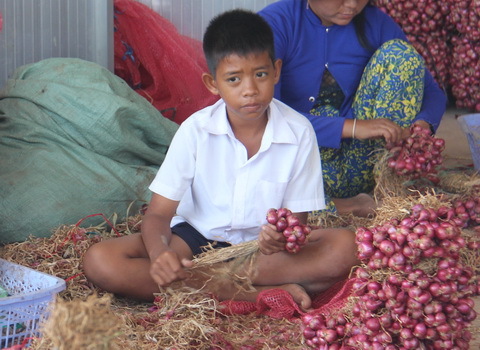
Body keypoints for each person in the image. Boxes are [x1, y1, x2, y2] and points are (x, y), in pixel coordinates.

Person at [83, 9, 358, 310]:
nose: (250, 90)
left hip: (260, 255)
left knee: (346, 247)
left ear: (276, 71)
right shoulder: (196, 131)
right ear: (213, 84)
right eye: (234, 79)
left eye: (261, 74)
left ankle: (207, 286)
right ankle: (247, 294)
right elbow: (159, 215)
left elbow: (295, 226)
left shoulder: (299, 132)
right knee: (101, 261)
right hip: (194, 241)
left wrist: (276, 240)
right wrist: (161, 254)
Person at [258, 0, 447, 216]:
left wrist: (419, 129)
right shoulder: (275, 24)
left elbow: (432, 92)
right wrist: (354, 127)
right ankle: (345, 206)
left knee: (401, 55)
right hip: (306, 166)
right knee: (267, 206)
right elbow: (266, 114)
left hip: (363, 159)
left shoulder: (375, 21)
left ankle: (388, 182)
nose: (353, 5)